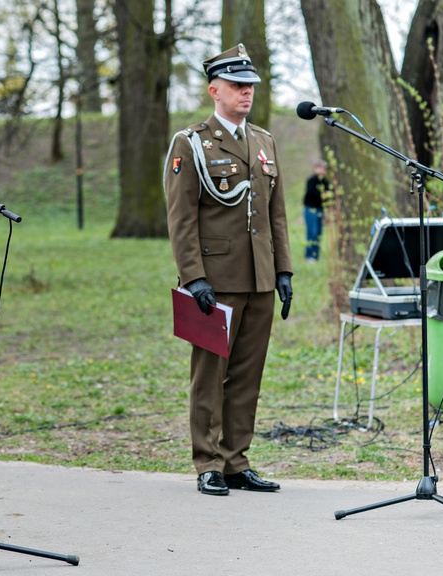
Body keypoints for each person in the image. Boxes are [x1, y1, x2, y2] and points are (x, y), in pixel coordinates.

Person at [163, 44, 293, 496]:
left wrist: (284, 271)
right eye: (237, 85)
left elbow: (276, 215)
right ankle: (208, 462)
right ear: (213, 89)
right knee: (209, 373)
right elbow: (182, 218)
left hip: (258, 278)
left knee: (248, 375)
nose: (246, 92)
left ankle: (237, 461)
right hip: (215, 280)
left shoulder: (264, 141)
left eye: (250, 85)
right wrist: (193, 276)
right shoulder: (191, 143)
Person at [303, 160, 332, 261]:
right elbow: (312, 193)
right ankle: (310, 255)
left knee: (318, 233)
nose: (324, 171)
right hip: (311, 209)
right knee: (312, 232)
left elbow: (329, 195)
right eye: (322, 168)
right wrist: (323, 194)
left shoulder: (325, 182)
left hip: (320, 210)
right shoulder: (312, 180)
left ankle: (316, 255)